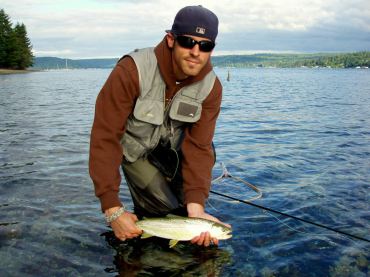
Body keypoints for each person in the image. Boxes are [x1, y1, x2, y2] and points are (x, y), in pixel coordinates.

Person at [89, 5, 230, 247]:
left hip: (173, 152)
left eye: (205, 45)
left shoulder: (212, 87)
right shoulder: (131, 70)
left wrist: (196, 207)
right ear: (171, 40)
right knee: (165, 208)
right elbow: (105, 138)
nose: (196, 52)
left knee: (187, 208)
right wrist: (112, 209)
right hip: (135, 152)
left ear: (211, 50)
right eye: (188, 42)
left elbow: (199, 146)